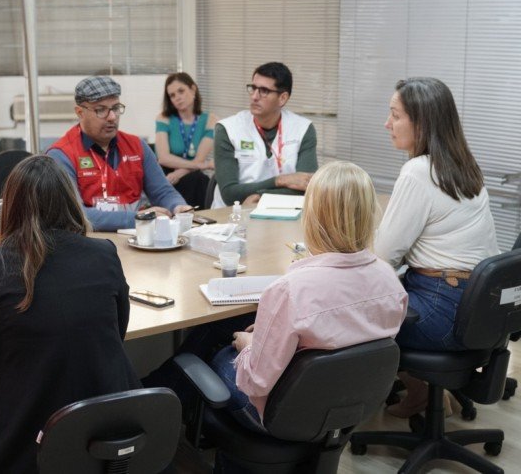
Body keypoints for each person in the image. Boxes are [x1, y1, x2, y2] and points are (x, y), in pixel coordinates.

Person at [0, 155, 140, 473]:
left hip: (25, 443)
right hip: (101, 437)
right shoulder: (104, 253)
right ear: (70, 201)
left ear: (11, 207)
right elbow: (117, 332)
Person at [210, 161, 407, 434]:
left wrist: (248, 346)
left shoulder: (290, 291)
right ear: (370, 214)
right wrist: (272, 332)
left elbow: (256, 382)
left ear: (312, 216)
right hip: (350, 404)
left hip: (283, 415)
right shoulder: (390, 279)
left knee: (217, 355)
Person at [375, 77, 499, 418]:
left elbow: (384, 256)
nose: (387, 123)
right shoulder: (463, 166)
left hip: (440, 310)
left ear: (422, 121)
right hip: (477, 310)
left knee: (356, 313)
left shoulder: (417, 171)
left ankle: (399, 399)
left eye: (395, 115)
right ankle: (424, 392)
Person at [48, 75, 192, 231]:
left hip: (138, 239)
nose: (112, 117)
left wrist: (178, 207)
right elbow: (74, 215)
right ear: (80, 112)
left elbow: (163, 192)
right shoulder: (61, 155)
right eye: (101, 110)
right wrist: (137, 218)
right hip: (92, 242)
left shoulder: (137, 146)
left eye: (116, 108)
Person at [212, 62, 318, 208]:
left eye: (264, 91)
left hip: (283, 212)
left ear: (282, 98)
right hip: (230, 217)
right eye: (253, 88)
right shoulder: (228, 129)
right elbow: (230, 194)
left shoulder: (303, 129)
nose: (254, 97)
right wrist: (281, 181)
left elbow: (307, 187)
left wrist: (260, 197)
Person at [155, 72, 217, 208]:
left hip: (190, 175)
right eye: (172, 95)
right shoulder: (163, 118)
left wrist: (179, 173)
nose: (177, 98)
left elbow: (199, 159)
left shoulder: (210, 120)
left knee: (199, 180)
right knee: (197, 179)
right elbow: (164, 158)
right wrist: (204, 165)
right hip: (167, 174)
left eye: (181, 91)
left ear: (193, 89)